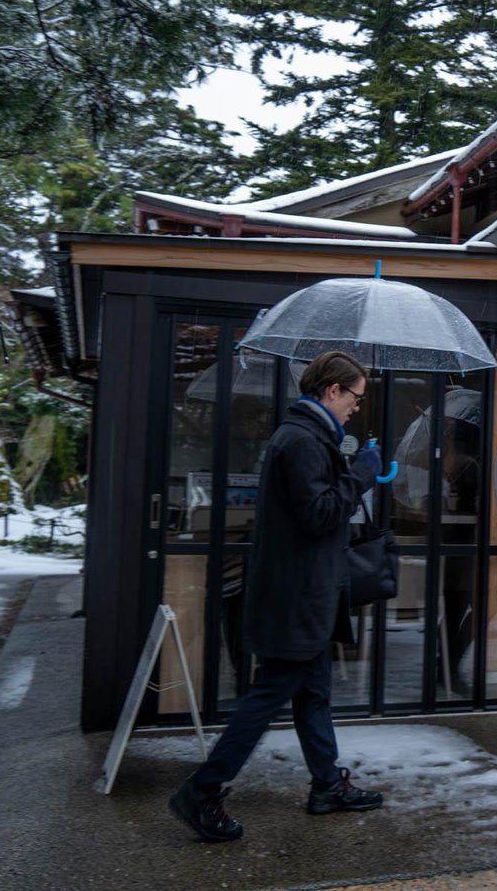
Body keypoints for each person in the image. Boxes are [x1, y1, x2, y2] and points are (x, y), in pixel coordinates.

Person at [169, 351, 385, 842]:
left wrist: (349, 468)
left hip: (305, 597)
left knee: (313, 695)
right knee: (266, 698)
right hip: (297, 599)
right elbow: (320, 515)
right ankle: (202, 790)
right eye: (356, 396)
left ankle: (327, 785)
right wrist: (362, 472)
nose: (357, 406)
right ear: (332, 390)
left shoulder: (307, 437)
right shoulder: (303, 441)